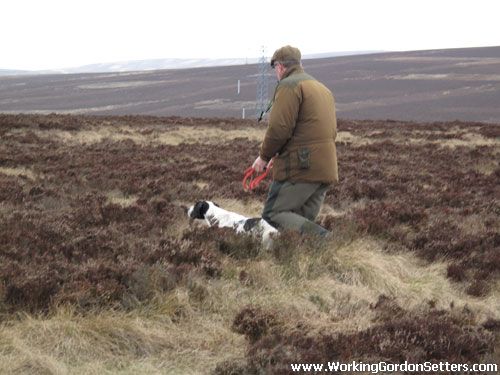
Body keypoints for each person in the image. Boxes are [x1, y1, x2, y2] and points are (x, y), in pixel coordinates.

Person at [251, 45, 338, 237]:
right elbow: (329, 131)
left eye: (275, 69)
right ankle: (315, 260)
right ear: (300, 64)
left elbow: (279, 128)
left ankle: (326, 240)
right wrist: (280, 153)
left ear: (280, 67)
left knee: (273, 215)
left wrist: (264, 157)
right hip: (325, 168)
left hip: (300, 167)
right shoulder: (322, 88)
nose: (276, 73)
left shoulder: (289, 86)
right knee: (297, 229)